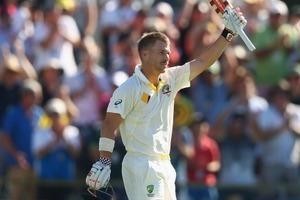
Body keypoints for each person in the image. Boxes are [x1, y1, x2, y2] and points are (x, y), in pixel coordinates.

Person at [85, 9, 247, 199]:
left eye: (168, 52)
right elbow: (109, 124)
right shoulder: (128, 89)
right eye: (161, 52)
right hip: (141, 164)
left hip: (165, 163)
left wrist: (227, 34)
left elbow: (203, 61)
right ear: (144, 54)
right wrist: (104, 161)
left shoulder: (171, 78)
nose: (167, 56)